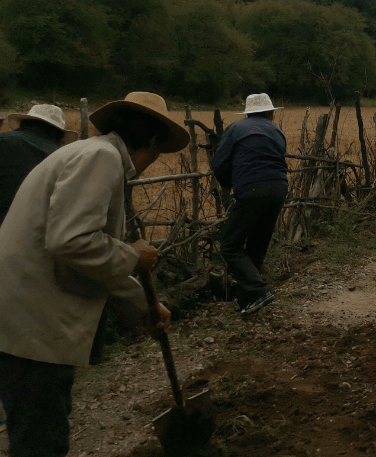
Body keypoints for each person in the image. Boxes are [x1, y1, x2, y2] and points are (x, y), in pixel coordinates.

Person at [0, 91, 185, 457]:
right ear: (151, 142)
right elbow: (72, 241)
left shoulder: (86, 153)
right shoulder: (101, 159)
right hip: (34, 321)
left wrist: (142, 306)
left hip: (26, 315)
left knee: (40, 426)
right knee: (41, 439)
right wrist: (132, 255)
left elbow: (90, 258)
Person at [211, 93, 289, 316]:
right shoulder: (276, 131)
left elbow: (218, 163)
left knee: (230, 245)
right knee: (257, 245)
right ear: (271, 112)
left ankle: (258, 290)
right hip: (279, 189)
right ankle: (247, 301)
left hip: (252, 189)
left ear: (247, 112)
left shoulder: (237, 128)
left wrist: (231, 185)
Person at [0, 104, 77, 228]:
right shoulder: (64, 159)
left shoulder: (3, 140)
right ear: (58, 134)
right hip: (30, 234)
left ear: (25, 123)